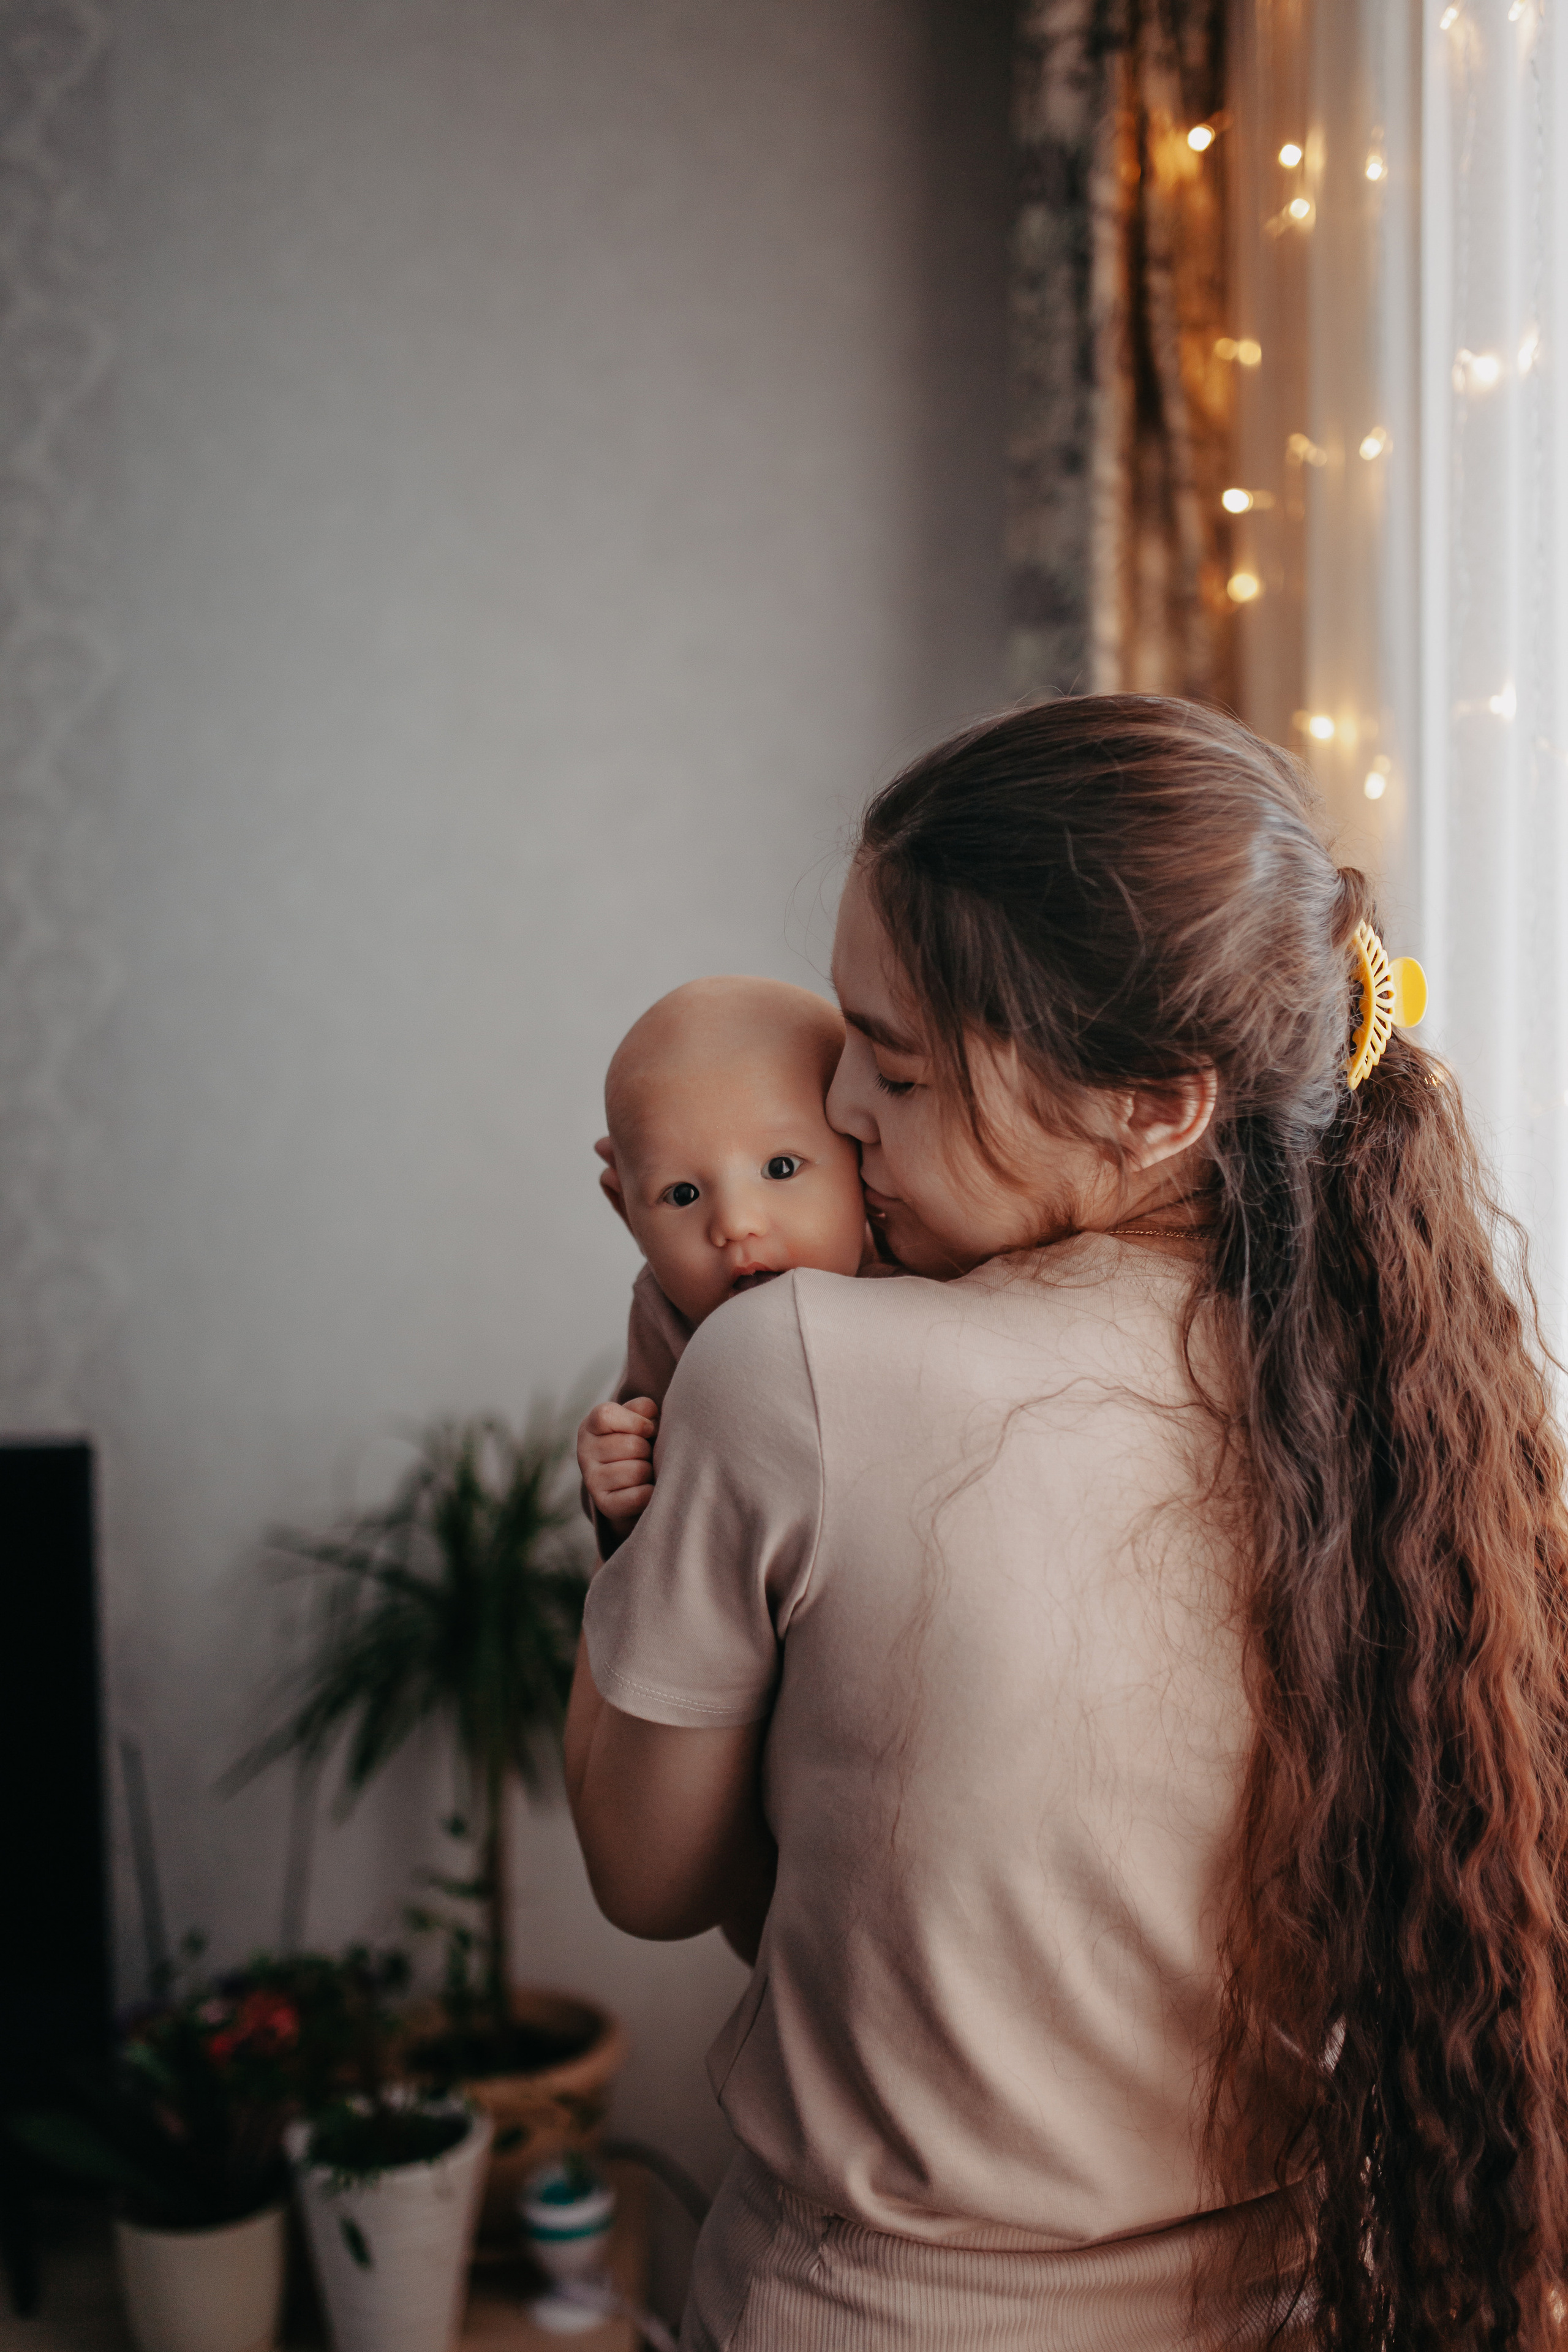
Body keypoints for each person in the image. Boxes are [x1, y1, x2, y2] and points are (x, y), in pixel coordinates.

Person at [565, 697, 1568, 2351]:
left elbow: (651, 1874)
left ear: (1152, 1106)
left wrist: (653, 1439)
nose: (847, 1117)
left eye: (891, 1065)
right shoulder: (1403, 1402)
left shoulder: (794, 1371)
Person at [575, 974, 886, 1551]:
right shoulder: (666, 1323)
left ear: (864, 1156)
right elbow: (652, 1542)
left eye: (781, 1169)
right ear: (627, 1212)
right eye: (683, 1195)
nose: (736, 1223)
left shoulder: (915, 1277)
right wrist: (617, 1486)